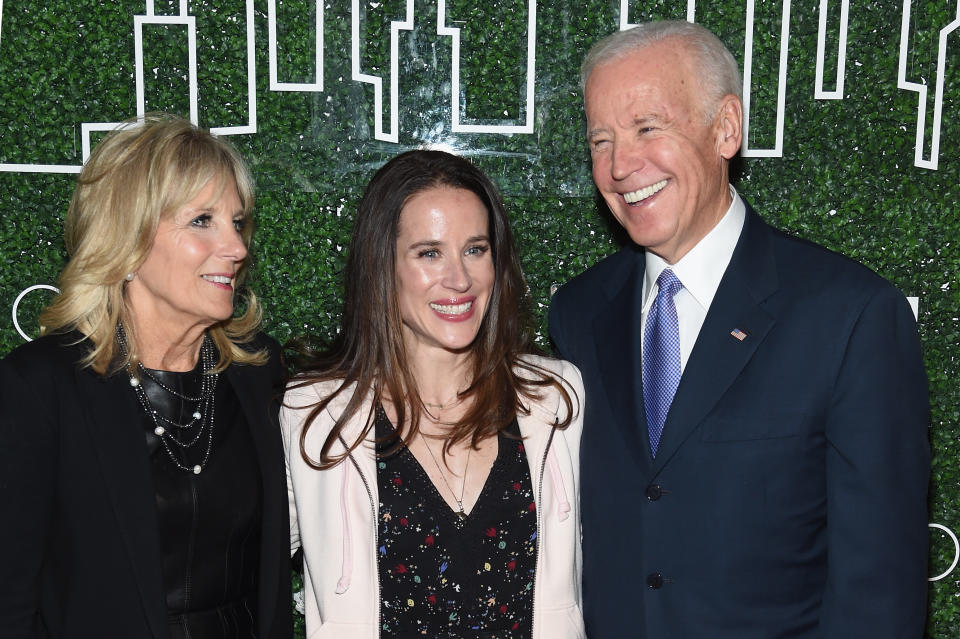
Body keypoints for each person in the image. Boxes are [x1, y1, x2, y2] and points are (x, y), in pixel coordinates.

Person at [548, 20, 930, 638]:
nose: (620, 165)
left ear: (726, 128)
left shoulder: (850, 317)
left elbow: (879, 593)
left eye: (648, 128)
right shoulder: (578, 313)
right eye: (600, 140)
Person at [0, 113, 292, 639]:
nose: (238, 247)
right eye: (202, 219)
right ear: (128, 239)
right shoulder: (41, 389)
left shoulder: (258, 374)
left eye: (238, 221)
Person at [281, 149, 585, 638]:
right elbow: (237, 568)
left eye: (475, 249)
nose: (459, 279)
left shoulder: (556, 399)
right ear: (382, 266)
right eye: (429, 253)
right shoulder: (313, 414)